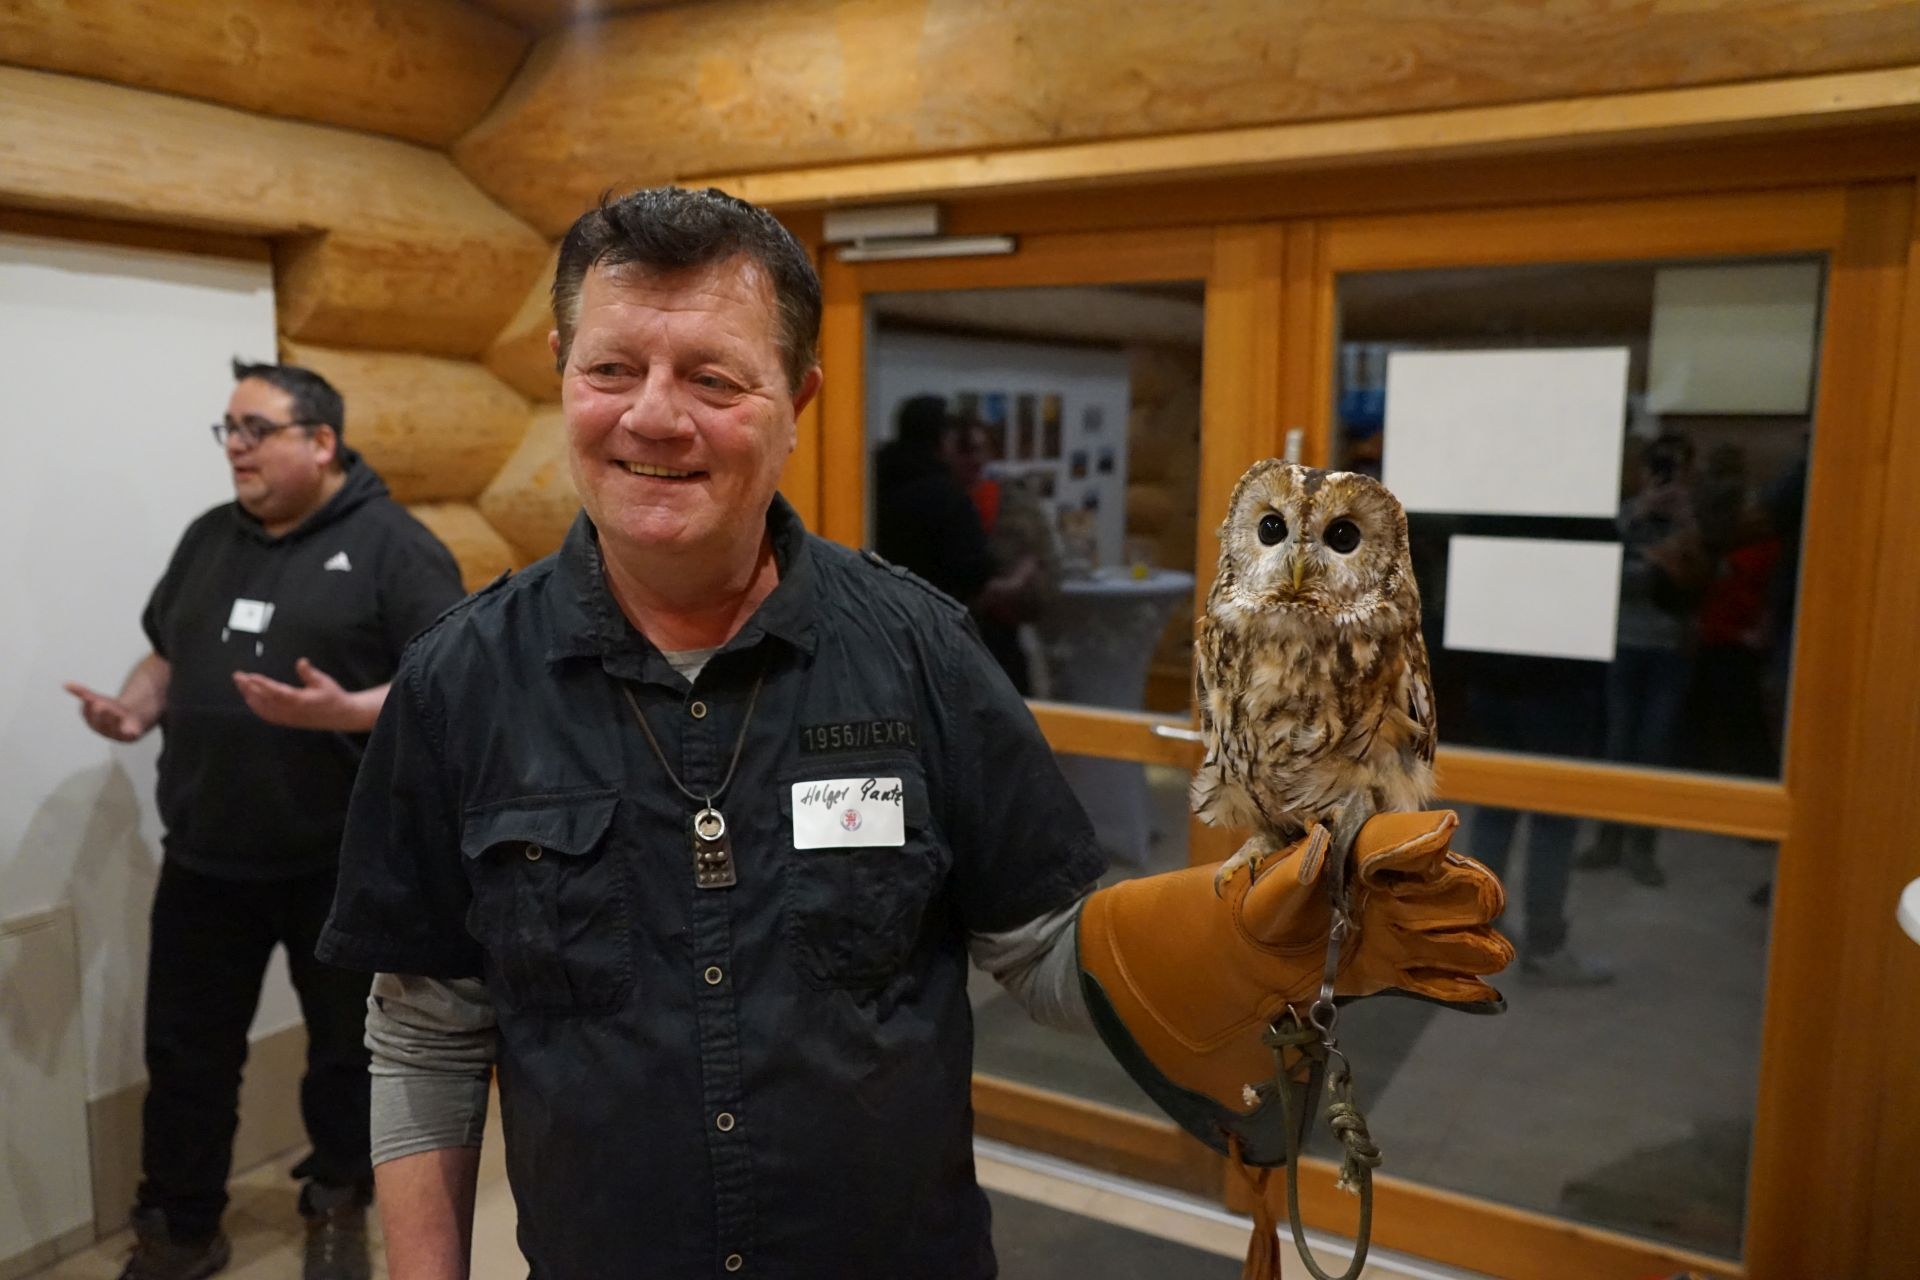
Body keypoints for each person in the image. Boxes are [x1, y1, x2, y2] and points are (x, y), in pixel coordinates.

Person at [318, 187, 1510, 1280]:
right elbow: (425, 1028)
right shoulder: (458, 680)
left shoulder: (921, 648)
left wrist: (1238, 937)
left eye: (715, 380)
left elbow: (1042, 943)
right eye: (613, 366)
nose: (653, 416)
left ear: (800, 400)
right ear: (560, 370)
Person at [65, 360, 466, 1280]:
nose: (235, 449)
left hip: (341, 860)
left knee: (344, 1058)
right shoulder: (211, 537)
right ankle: (182, 1224)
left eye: (255, 430)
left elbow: (444, 686)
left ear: (321, 443)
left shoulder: (394, 547)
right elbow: (167, 651)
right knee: (184, 1053)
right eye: (227, 431)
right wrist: (134, 710)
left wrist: (345, 710)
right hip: (206, 857)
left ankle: (337, 1203)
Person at [873, 397, 1041, 691]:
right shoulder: (947, 497)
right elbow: (973, 579)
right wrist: (1018, 579)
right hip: (949, 645)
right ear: (942, 441)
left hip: (890, 641)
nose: (971, 459)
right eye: (961, 446)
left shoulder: (876, 483)